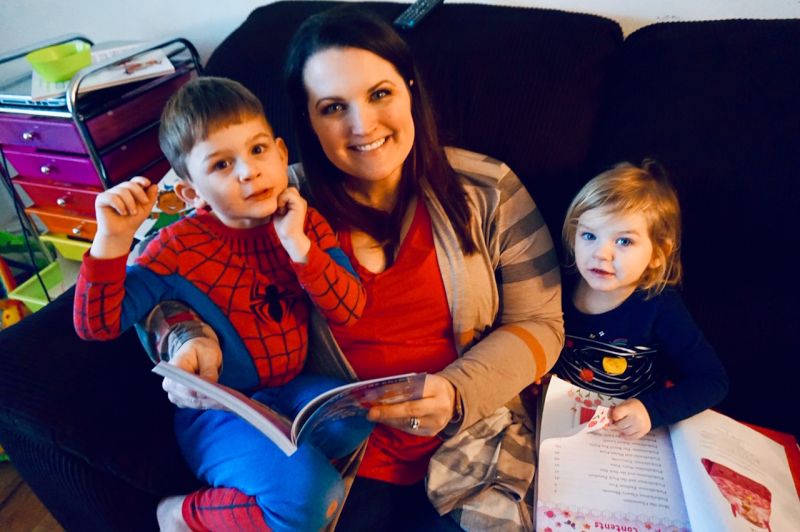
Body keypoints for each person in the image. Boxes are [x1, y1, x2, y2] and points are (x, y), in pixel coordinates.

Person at [146, 6, 564, 531]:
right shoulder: (269, 200)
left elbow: (541, 322)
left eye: (380, 93)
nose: (363, 125)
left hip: (471, 439)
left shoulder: (488, 188)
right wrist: (183, 338)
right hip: (341, 456)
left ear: (410, 89)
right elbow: (166, 277)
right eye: (333, 107)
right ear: (306, 120)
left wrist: (459, 393)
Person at [72, 76, 372, 532]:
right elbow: (98, 324)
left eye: (257, 150)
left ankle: (281, 474)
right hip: (215, 413)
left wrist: (299, 247)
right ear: (192, 192)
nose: (248, 172)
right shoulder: (175, 248)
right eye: (221, 164)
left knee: (356, 417)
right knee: (313, 499)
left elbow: (350, 309)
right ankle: (179, 515)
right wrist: (111, 241)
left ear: (281, 154)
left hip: (288, 392)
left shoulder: (303, 222)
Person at [555, 160, 728, 439]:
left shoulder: (660, 305)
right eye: (589, 235)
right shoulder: (557, 285)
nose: (601, 254)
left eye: (624, 241)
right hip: (560, 420)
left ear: (659, 252)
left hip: (627, 434)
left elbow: (712, 380)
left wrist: (651, 411)